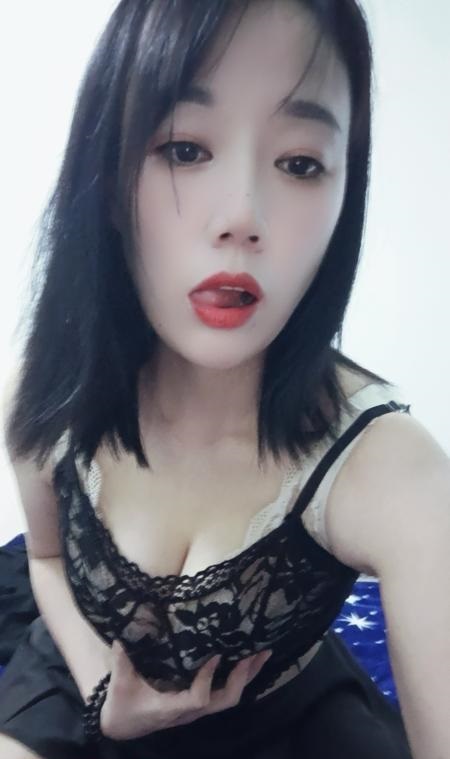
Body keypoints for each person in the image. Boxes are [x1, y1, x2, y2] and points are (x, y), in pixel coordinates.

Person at [0, 1, 448, 757]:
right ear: (107, 177)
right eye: (184, 148)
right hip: (81, 670)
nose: (243, 216)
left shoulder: (394, 476)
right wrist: (105, 695)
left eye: (300, 163)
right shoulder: (44, 397)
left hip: (282, 723)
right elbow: (44, 560)